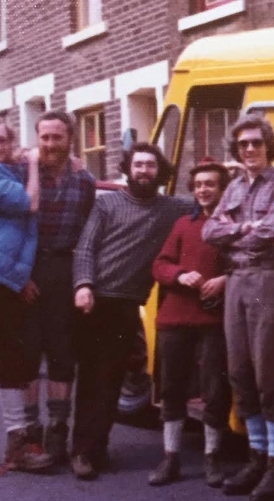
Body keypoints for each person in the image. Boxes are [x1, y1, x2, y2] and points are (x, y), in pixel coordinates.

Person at [70, 142, 190, 480]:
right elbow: (85, 247)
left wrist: (230, 179)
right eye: (138, 165)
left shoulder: (171, 208)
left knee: (110, 380)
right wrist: (83, 285)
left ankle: (95, 448)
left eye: (150, 166)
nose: (143, 171)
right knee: (93, 379)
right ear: (128, 168)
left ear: (160, 171)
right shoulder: (107, 204)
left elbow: (205, 203)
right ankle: (82, 452)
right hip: (95, 298)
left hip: (127, 305)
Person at [203, 113, 274, 501]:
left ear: (268, 147)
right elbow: (211, 231)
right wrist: (244, 228)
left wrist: (237, 229)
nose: (249, 150)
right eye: (242, 145)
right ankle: (255, 457)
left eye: (256, 144)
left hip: (267, 280)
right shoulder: (233, 187)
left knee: (268, 369)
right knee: (240, 370)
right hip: (237, 280)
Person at [148, 159, 231, 488]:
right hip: (177, 317)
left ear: (223, 189)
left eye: (210, 184)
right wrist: (181, 275)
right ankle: (171, 457)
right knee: (172, 388)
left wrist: (225, 279)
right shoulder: (184, 224)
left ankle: (212, 457)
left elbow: (245, 263)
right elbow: (160, 265)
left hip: (213, 318)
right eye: (198, 185)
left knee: (215, 388)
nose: (203, 190)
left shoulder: (232, 226)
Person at [20, 111, 97, 465]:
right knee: (28, 354)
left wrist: (82, 279)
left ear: (70, 139)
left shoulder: (84, 181)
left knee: (62, 354)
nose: (50, 144)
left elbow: (87, 234)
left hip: (65, 267)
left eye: (57, 138)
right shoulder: (22, 174)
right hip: (28, 267)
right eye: (44, 137)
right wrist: (21, 276)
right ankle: (30, 434)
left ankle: (57, 430)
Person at [0, 118, 53, 473]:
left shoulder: (9, 170)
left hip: (1, 282)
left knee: (8, 361)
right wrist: (36, 163)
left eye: (1, 140)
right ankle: (18, 442)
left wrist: (18, 277)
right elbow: (29, 204)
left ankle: (17, 443)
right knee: (5, 360)